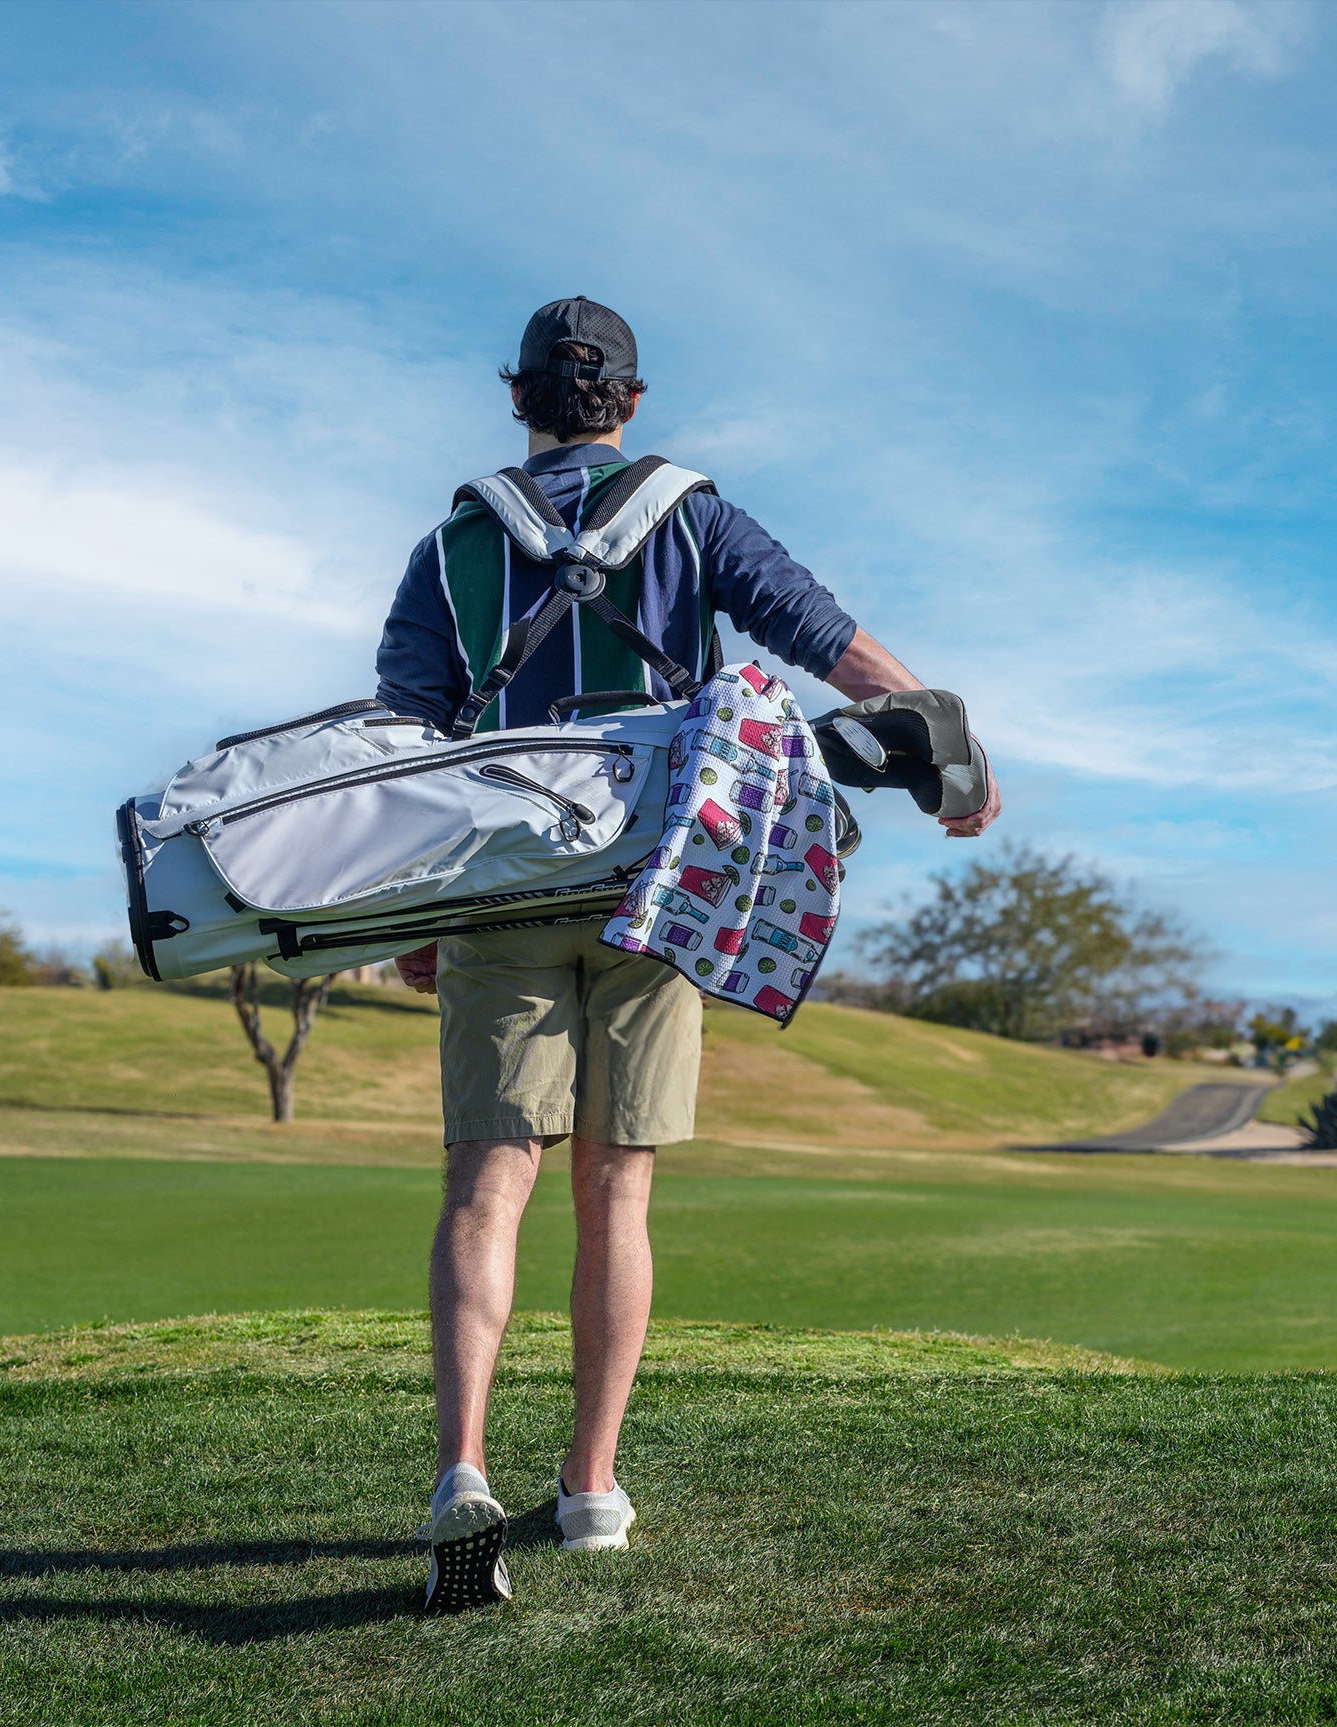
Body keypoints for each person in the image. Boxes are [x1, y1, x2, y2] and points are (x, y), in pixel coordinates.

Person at [375, 295, 999, 1610]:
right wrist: (945, 737)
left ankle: (459, 1471)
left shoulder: (455, 542)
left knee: (491, 1183)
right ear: (632, 404)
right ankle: (591, 1488)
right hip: (662, 889)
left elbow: (405, 747)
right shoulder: (692, 513)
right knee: (618, 1188)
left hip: (496, 885)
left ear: (519, 400)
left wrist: (422, 918)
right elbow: (832, 644)